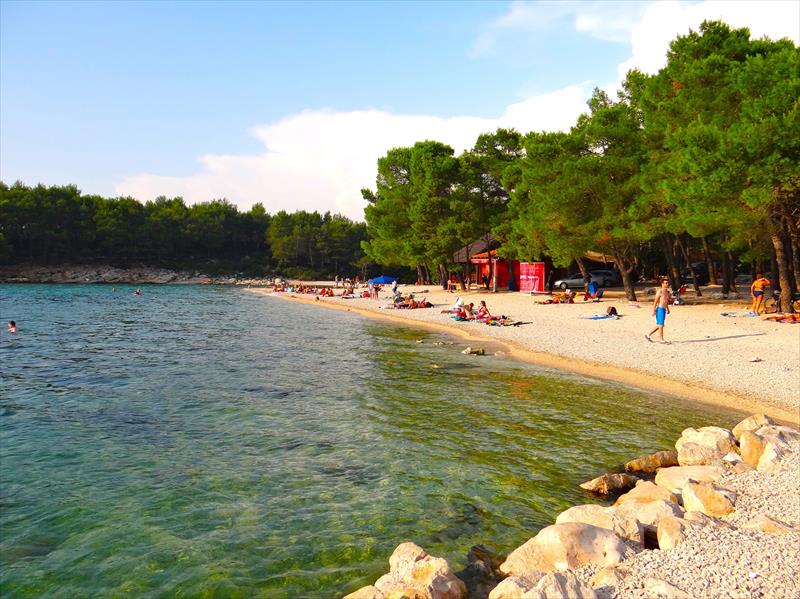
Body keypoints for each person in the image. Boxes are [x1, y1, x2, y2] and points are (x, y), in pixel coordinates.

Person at [646, 279, 672, 344]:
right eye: (666, 283)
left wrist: (668, 309)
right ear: (662, 284)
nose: (667, 284)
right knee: (661, 325)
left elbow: (666, 301)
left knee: (660, 325)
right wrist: (653, 310)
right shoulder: (659, 291)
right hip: (660, 309)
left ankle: (648, 334)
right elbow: (655, 301)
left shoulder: (667, 292)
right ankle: (661, 339)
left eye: (668, 283)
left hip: (664, 309)